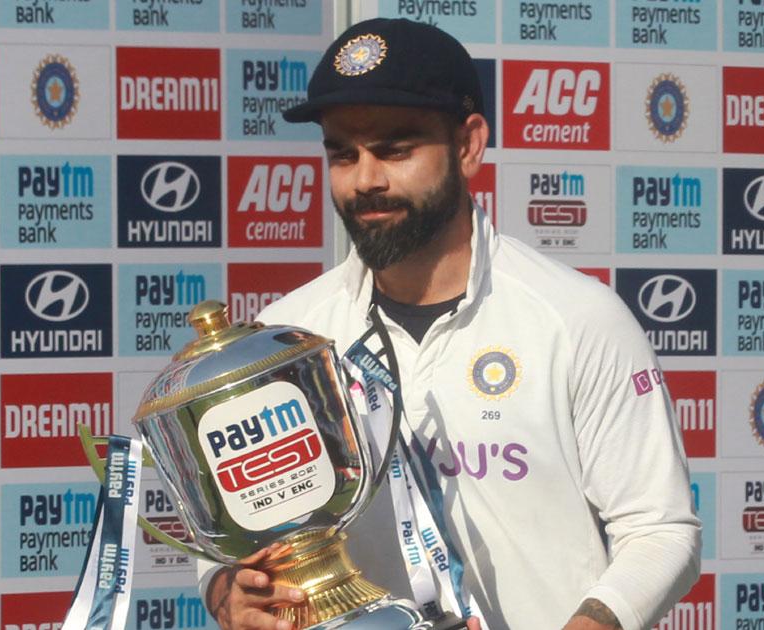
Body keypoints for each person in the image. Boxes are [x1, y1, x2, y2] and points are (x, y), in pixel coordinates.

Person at [201, 17, 701, 630]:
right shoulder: (285, 337)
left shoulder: (577, 318)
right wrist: (227, 593)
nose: (366, 179)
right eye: (342, 154)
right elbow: (228, 536)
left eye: (395, 150)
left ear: (467, 146)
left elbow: (661, 530)